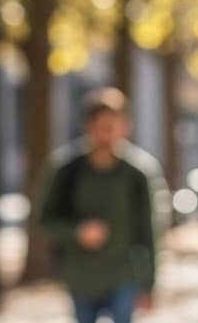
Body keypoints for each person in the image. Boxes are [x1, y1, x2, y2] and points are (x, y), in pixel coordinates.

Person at [37, 87, 156, 323]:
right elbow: (44, 221)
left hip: (124, 274)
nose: (107, 135)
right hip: (81, 277)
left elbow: (149, 231)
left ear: (125, 127)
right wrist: (77, 231)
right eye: (101, 127)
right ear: (87, 127)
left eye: (113, 127)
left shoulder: (137, 173)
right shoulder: (67, 170)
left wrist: (149, 284)